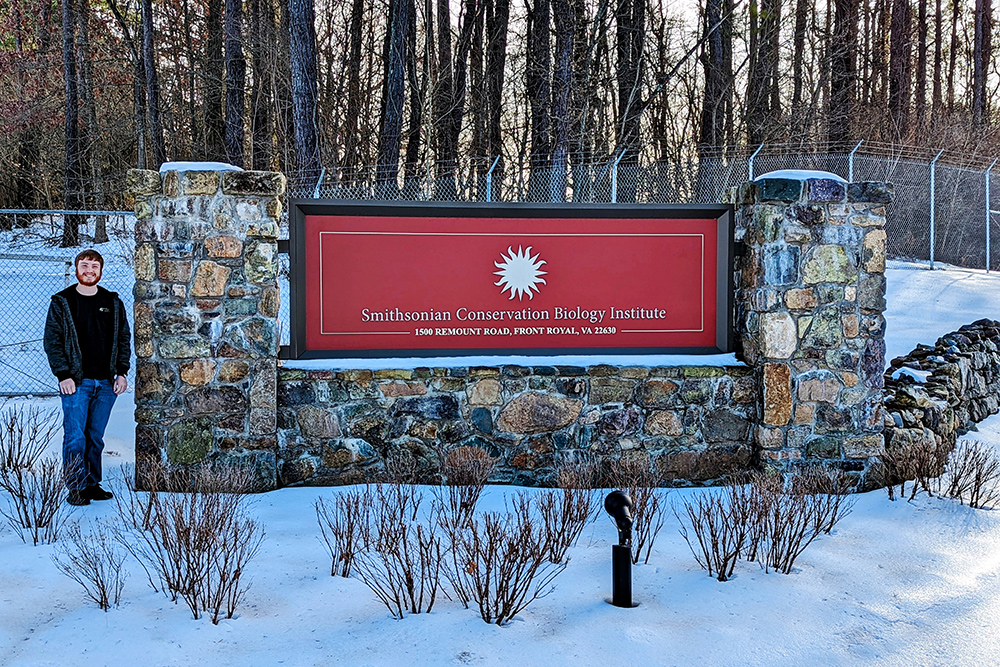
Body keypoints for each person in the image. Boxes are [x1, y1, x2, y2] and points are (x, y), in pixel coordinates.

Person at [44, 249, 131, 506]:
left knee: (95, 436)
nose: (89, 270)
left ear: (101, 270)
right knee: (75, 436)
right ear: (76, 268)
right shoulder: (62, 301)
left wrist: (122, 372)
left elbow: (123, 339)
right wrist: (63, 375)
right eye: (84, 265)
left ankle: (92, 483)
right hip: (76, 383)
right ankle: (76, 487)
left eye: (94, 266)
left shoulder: (113, 302)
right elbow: (53, 341)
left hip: (106, 383)